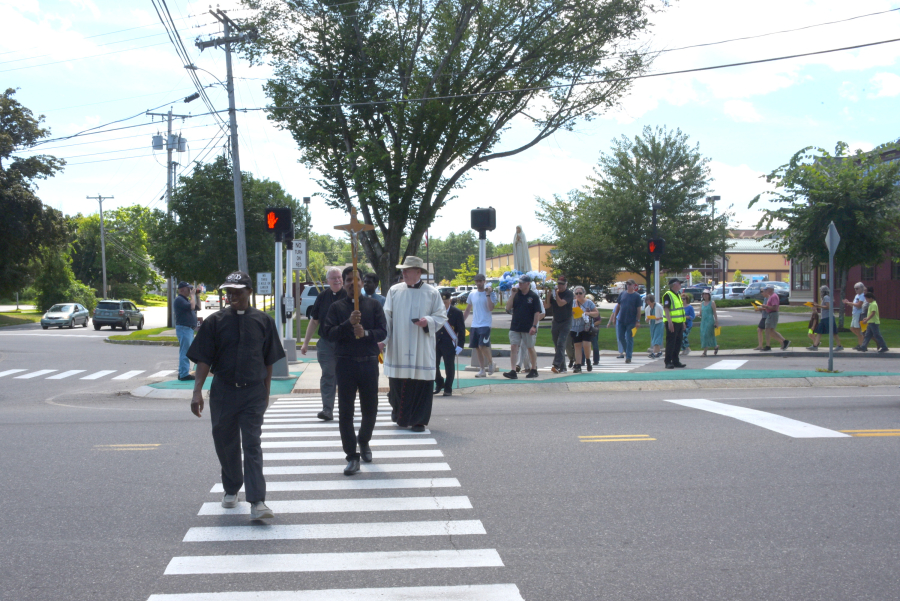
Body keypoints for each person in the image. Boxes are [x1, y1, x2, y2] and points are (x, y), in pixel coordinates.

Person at [187, 271, 285, 520]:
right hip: (223, 391)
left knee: (252, 444)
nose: (232, 297)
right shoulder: (215, 322)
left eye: (237, 292)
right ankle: (231, 487)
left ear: (249, 292)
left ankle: (258, 501)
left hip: (252, 392)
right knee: (226, 443)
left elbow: (269, 360)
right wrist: (197, 392)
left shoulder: (263, 321)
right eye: (228, 292)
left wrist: (266, 391)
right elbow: (203, 360)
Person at [322, 267, 388, 476]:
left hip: (368, 363)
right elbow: (328, 333)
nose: (352, 283)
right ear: (344, 282)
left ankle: (364, 440)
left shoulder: (374, 305)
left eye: (355, 279)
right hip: (345, 363)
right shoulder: (336, 307)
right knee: (345, 412)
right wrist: (347, 324)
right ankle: (351, 455)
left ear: (361, 282)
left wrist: (366, 332)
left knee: (370, 409)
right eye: (348, 280)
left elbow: (383, 331)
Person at [379, 256, 446, 432]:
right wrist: (383, 340)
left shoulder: (432, 292)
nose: (403, 273)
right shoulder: (394, 291)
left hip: (421, 346)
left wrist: (428, 321)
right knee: (397, 384)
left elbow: (441, 316)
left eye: (407, 270)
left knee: (420, 385)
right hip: (398, 345)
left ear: (418, 272)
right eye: (403, 270)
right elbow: (386, 318)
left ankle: (418, 420)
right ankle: (400, 416)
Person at [301, 267, 346, 421]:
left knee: (345, 377)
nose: (337, 280)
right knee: (328, 375)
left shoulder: (349, 296)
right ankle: (327, 409)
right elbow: (314, 321)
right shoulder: (322, 297)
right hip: (326, 343)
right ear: (327, 281)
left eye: (339, 277)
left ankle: (346, 409)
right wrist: (305, 343)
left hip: (345, 343)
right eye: (333, 278)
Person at [504, 274, 542, 379]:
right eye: (519, 282)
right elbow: (508, 307)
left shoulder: (533, 296)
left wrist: (534, 326)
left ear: (528, 284)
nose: (519, 284)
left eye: (522, 283)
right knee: (513, 347)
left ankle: (534, 369)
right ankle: (513, 370)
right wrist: (512, 294)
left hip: (528, 326)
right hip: (516, 325)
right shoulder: (516, 295)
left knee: (530, 347)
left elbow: (537, 313)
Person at [463, 274, 497, 377]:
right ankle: (482, 369)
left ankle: (491, 363)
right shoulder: (472, 294)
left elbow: (491, 308)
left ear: (484, 281)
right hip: (475, 324)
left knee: (482, 345)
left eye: (480, 281)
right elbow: (468, 309)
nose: (478, 283)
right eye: (477, 281)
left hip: (485, 324)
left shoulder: (491, 294)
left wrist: (487, 294)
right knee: (477, 347)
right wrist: (461, 321)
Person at [435, 291, 465, 395]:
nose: (443, 304)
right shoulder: (436, 312)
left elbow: (461, 330)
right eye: (442, 302)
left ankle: (448, 388)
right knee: (433, 365)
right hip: (437, 342)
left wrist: (460, 345)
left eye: (446, 301)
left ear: (450, 301)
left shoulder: (456, 313)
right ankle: (439, 382)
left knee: (449, 367)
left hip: (449, 343)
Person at [545, 276, 574, 373]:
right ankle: (563, 367)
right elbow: (547, 305)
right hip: (556, 321)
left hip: (566, 321)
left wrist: (556, 294)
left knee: (561, 343)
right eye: (558, 284)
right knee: (557, 345)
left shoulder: (569, 294)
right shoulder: (553, 293)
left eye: (562, 284)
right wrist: (549, 293)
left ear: (566, 284)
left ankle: (556, 365)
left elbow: (561, 303)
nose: (560, 286)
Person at [610, 280, 642, 364]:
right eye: (627, 284)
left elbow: (639, 310)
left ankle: (628, 357)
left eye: (630, 284)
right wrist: (614, 317)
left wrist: (638, 321)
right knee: (621, 337)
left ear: (633, 285)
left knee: (629, 338)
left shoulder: (637, 296)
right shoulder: (622, 294)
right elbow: (618, 306)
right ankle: (627, 352)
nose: (628, 286)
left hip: (631, 321)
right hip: (621, 320)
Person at [516, 283, 546, 373]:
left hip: (532, 326)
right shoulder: (522, 298)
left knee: (528, 346)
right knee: (523, 345)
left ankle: (523, 365)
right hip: (523, 325)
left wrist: (533, 322)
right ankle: (527, 366)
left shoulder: (536, 299)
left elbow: (543, 314)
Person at [569, 286, 598, 373]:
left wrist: (588, 313)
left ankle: (588, 360)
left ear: (584, 294)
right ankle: (578, 364)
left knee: (586, 344)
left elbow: (596, 313)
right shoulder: (572, 303)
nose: (578, 295)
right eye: (576, 293)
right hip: (575, 327)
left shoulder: (589, 302)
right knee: (577, 346)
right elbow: (567, 313)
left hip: (586, 327)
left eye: (580, 293)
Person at [754, 285, 789, 351]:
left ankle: (769, 346)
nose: (765, 291)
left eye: (766, 290)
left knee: (768, 330)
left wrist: (766, 307)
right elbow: (771, 307)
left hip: (772, 314)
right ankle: (784, 341)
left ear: (770, 290)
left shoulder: (774, 296)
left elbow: (775, 307)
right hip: (770, 314)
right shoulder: (771, 297)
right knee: (770, 330)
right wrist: (763, 308)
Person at [174, 281, 197, 381]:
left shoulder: (185, 300)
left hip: (187, 329)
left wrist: (197, 296)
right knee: (185, 352)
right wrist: (192, 296)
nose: (190, 290)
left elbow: (196, 307)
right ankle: (183, 374)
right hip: (184, 328)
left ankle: (182, 372)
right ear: (182, 289)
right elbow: (191, 307)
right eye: (188, 289)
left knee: (185, 351)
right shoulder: (179, 300)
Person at [663, 278, 687, 369]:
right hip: (672, 322)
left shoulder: (678, 294)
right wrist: (669, 322)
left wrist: (683, 322)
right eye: (679, 283)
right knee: (671, 343)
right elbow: (666, 308)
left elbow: (680, 310)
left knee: (678, 342)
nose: (680, 285)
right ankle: (668, 361)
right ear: (674, 285)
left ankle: (675, 361)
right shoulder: (668, 295)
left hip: (679, 322)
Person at [810, 285, 843, 351]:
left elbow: (828, 307)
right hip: (824, 317)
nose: (820, 293)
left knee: (833, 332)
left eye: (820, 291)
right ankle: (815, 345)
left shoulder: (826, 297)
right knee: (820, 331)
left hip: (828, 317)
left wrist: (818, 305)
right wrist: (818, 305)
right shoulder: (826, 297)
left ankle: (839, 345)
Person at [842, 282, 867, 347]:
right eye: (855, 289)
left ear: (862, 288)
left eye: (857, 288)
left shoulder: (862, 295)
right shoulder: (857, 296)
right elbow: (854, 306)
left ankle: (860, 344)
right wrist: (847, 303)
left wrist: (851, 303)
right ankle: (862, 339)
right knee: (852, 328)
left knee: (857, 329)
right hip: (854, 314)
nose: (856, 290)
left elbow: (859, 305)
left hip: (859, 314)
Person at [698, 291, 719, 356]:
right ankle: (715, 346)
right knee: (706, 335)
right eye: (703, 294)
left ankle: (705, 352)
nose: (705, 296)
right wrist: (696, 315)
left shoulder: (712, 303)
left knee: (706, 335)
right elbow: (701, 313)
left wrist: (716, 321)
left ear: (709, 295)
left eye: (706, 294)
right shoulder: (702, 303)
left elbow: (714, 313)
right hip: (703, 321)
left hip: (709, 321)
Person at [645, 294, 663, 359]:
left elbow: (664, 315)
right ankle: (659, 352)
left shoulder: (658, 306)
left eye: (648, 300)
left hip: (659, 323)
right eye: (647, 301)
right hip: (652, 324)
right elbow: (646, 319)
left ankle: (653, 353)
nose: (648, 302)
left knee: (656, 338)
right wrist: (647, 319)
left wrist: (659, 318)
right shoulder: (647, 308)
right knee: (653, 339)